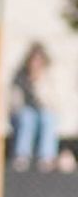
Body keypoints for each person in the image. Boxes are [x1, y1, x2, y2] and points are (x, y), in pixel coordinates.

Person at [9, 42, 67, 172]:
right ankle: (22, 156)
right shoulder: (20, 77)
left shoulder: (51, 76)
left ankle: (46, 158)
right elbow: (15, 102)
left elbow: (53, 103)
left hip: (45, 113)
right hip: (25, 115)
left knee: (46, 118)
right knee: (27, 117)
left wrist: (37, 85)